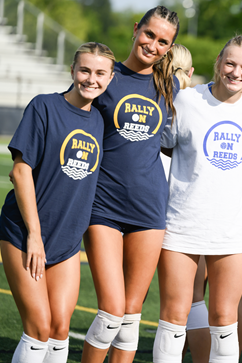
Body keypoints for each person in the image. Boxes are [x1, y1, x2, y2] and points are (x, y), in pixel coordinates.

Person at [153, 34, 242, 363]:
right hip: (183, 222)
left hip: (233, 226)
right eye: (229, 63)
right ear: (218, 63)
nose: (235, 72)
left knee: (224, 317)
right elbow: (163, 144)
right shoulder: (187, 101)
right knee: (174, 315)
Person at [0, 42, 115, 363]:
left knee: (60, 328)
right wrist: (34, 236)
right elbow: (20, 174)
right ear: (72, 71)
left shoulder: (100, 121)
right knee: (38, 329)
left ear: (109, 78)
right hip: (25, 234)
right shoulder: (45, 106)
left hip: (66, 243)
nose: (91, 79)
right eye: (85, 70)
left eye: (100, 73)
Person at [80, 6, 180, 363]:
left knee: (131, 315)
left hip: (149, 207)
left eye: (162, 41)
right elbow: (71, 119)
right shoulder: (106, 76)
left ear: (169, 48)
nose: (152, 44)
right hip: (102, 205)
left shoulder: (170, 86)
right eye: (149, 34)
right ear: (137, 29)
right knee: (111, 312)